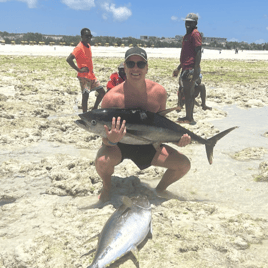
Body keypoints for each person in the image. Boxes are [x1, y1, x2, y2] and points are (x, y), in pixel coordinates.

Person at [95, 47, 191, 203]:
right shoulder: (111, 98)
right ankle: (107, 187)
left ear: (146, 68)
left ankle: (159, 190)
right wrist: (111, 140)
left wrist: (177, 140)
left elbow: (161, 127)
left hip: (149, 144)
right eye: (130, 64)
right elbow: (104, 139)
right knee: (102, 162)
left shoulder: (159, 93)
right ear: (124, 67)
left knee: (184, 164)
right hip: (119, 145)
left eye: (140, 64)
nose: (135, 68)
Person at [173, 13, 202, 125]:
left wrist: (195, 70)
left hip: (191, 68)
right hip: (185, 68)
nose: (187, 24)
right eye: (186, 22)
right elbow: (185, 55)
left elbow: (198, 52)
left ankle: (190, 118)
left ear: (195, 23)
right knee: (187, 93)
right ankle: (188, 116)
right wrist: (178, 68)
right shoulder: (186, 36)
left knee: (189, 94)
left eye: (190, 22)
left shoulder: (195, 34)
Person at [66, 28, 105, 113]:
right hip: (83, 76)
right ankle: (85, 114)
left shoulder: (88, 46)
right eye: (86, 36)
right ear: (82, 36)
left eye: (90, 36)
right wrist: (79, 70)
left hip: (91, 75)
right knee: (85, 96)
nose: (88, 38)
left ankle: (94, 108)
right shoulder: (79, 48)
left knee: (102, 92)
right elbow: (69, 59)